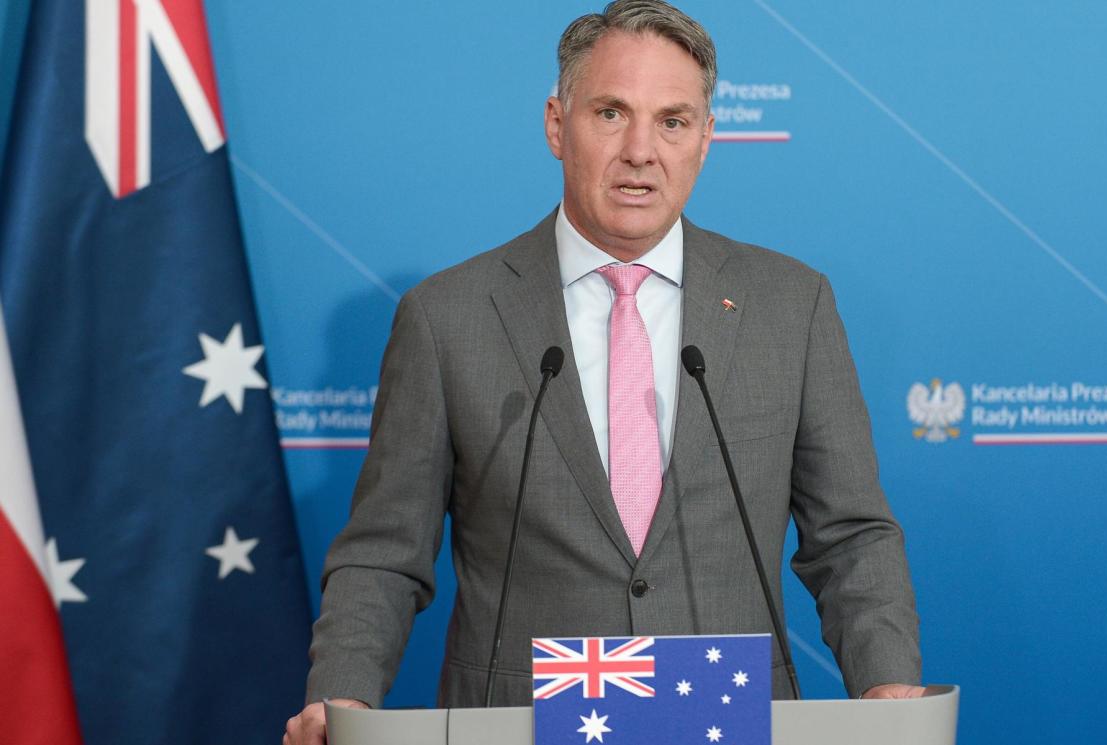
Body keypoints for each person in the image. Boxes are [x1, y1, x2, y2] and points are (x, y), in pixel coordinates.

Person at [285, 2, 922, 742]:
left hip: (731, 720)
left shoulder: (791, 305)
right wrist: (344, 695)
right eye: (612, 113)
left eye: (674, 121)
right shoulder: (447, 317)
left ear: (708, 137)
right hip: (519, 725)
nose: (641, 151)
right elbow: (383, 555)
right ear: (558, 124)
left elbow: (851, 537)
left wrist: (886, 685)